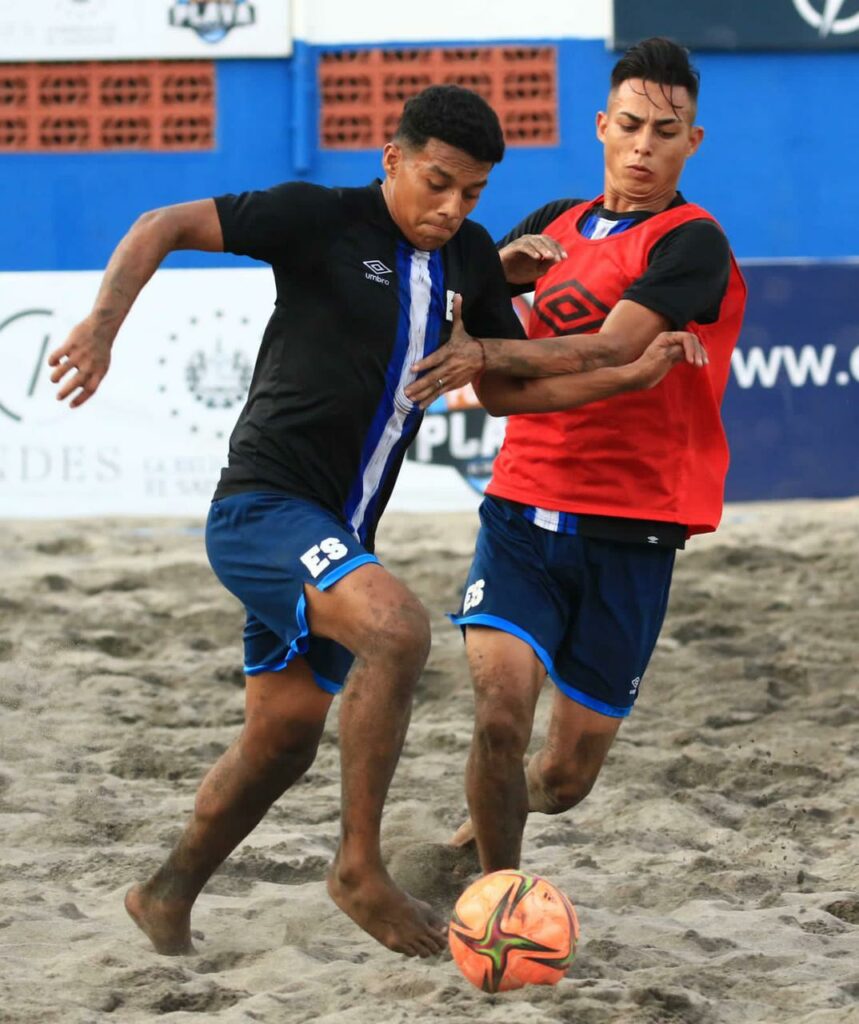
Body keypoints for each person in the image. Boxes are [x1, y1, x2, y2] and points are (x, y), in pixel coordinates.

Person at [48, 82, 702, 957]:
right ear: (391, 159)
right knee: (396, 629)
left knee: (280, 743)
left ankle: (165, 894)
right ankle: (358, 867)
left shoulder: (469, 252)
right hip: (260, 506)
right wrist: (100, 327)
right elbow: (161, 223)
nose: (450, 208)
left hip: (338, 533)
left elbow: (504, 388)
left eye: (470, 193)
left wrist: (621, 379)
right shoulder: (317, 217)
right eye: (435, 183)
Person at [406, 38, 747, 874]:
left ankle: (468, 845)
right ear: (600, 126)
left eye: (665, 132)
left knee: (562, 777)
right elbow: (457, 318)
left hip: (632, 524)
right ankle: (494, 891)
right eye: (628, 125)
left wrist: (486, 353)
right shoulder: (547, 224)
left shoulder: (690, 241)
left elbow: (609, 349)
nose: (643, 146)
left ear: (690, 142)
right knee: (497, 714)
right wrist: (483, 305)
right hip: (522, 505)